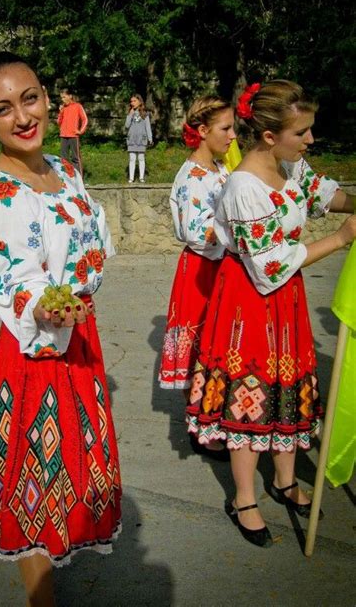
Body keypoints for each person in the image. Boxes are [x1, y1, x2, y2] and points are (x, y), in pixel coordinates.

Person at [0, 52, 121, 606]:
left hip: (80, 337)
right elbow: (14, 282)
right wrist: (44, 308)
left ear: (46, 98)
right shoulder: (0, 192)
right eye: (2, 109)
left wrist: (78, 294)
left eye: (29, 98)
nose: (22, 117)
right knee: (36, 482)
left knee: (72, 473)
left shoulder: (67, 170)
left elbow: (93, 244)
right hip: (37, 353)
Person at [187, 80, 356, 547]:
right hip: (250, 301)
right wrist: (341, 239)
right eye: (301, 132)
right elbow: (269, 265)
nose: (310, 140)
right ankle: (244, 497)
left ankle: (283, 479)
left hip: (287, 300)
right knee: (250, 393)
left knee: (288, 386)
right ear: (268, 136)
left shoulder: (289, 164)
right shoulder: (244, 187)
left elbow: (325, 194)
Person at [159, 95, 236, 460]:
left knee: (214, 346)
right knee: (200, 347)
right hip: (202, 271)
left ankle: (212, 418)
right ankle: (200, 430)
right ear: (203, 131)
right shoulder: (192, 177)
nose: (233, 135)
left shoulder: (219, 169)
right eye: (226, 128)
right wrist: (239, 231)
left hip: (219, 268)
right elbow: (195, 231)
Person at [57, 88, 88, 176]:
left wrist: (81, 131)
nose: (62, 99)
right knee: (64, 159)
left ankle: (79, 179)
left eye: (64, 97)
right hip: (63, 135)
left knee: (75, 158)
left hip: (74, 135)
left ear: (70, 96)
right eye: (61, 98)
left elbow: (85, 119)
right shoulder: (63, 108)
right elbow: (58, 122)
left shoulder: (77, 106)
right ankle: (68, 179)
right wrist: (60, 112)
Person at [125, 94, 153, 183]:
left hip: (142, 140)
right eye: (131, 101)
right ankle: (131, 178)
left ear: (140, 102)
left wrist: (150, 138)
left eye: (134, 101)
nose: (132, 103)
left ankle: (141, 177)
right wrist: (130, 115)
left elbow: (148, 127)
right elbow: (126, 126)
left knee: (141, 158)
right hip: (132, 140)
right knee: (132, 158)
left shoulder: (145, 114)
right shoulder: (130, 113)